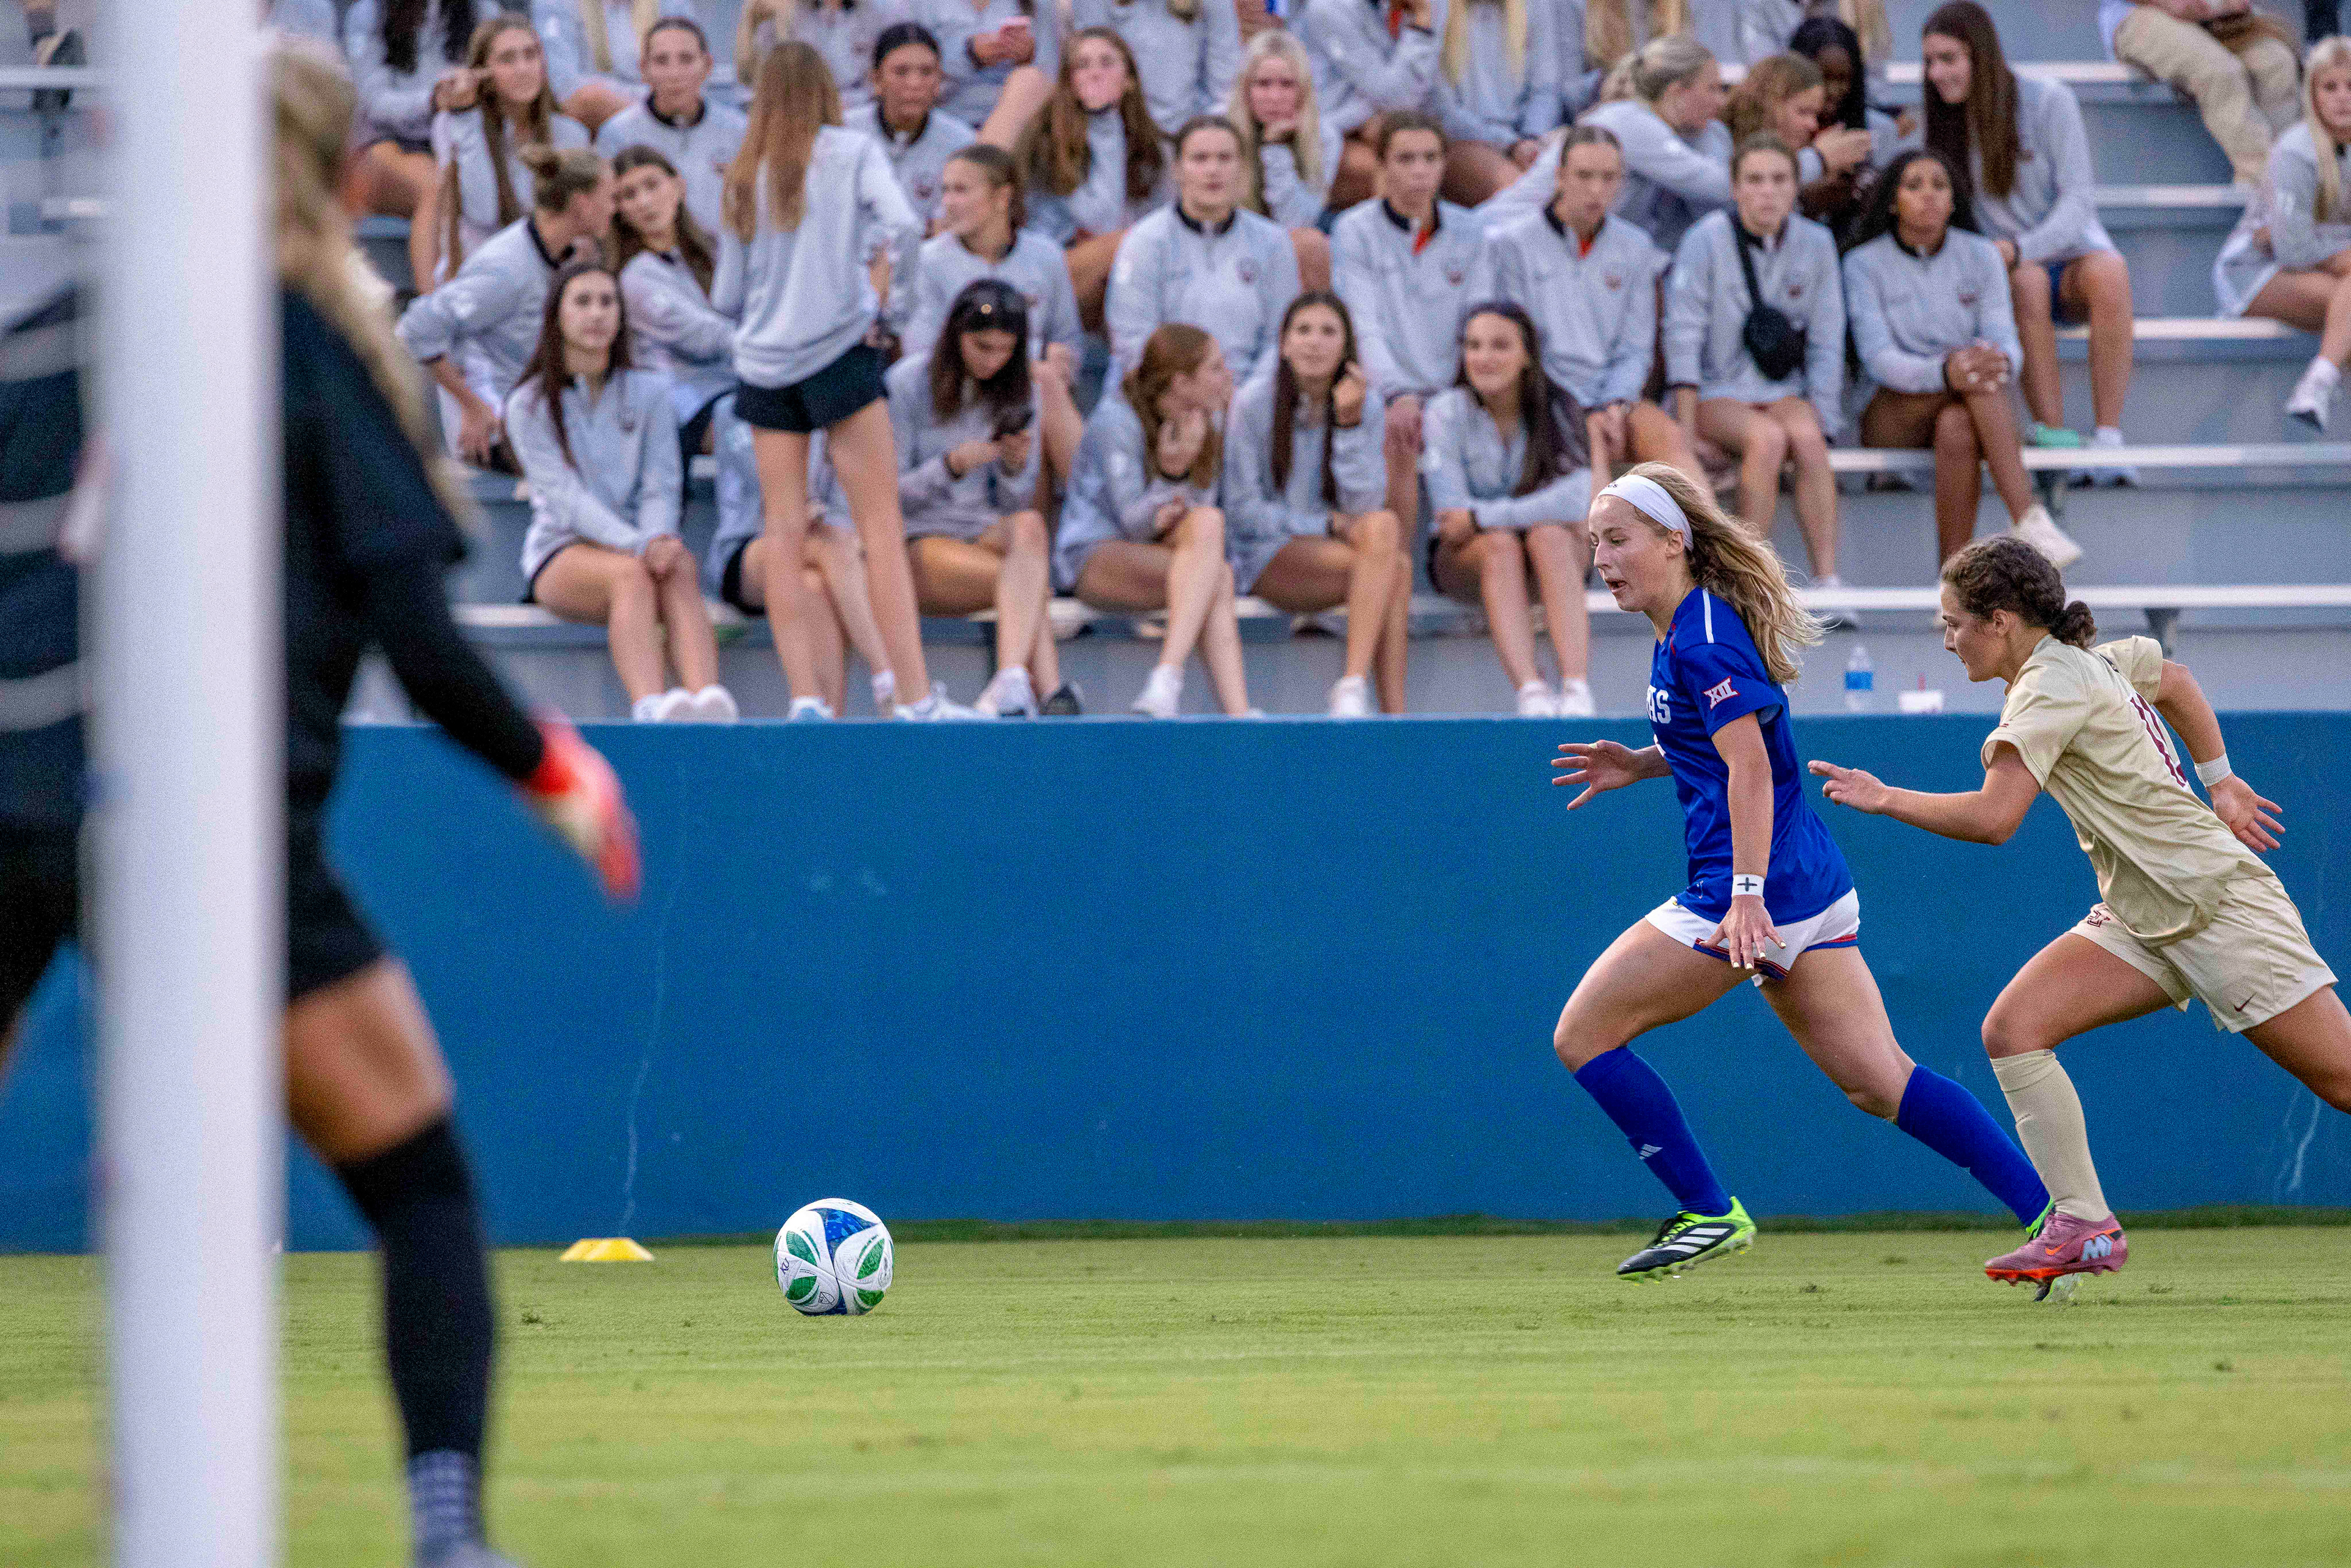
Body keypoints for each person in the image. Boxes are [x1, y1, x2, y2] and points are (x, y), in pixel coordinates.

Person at [13, 46, 639, 1567]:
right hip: (203, 831)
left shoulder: (34, 342)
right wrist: (562, 774)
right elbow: (425, 640)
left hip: (12, 800)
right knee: (420, 1184)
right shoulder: (294, 344)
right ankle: (446, 1528)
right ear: (343, 175)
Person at [1546, 465, 2054, 1285]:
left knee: (1584, 1033)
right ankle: (2055, 1220)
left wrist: (1744, 897)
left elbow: (1749, 767)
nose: (1601, 557)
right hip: (1807, 881)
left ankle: (1711, 1211)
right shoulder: (1688, 623)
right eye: (1593, 542)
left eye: (1617, 538)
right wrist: (1641, 763)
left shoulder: (1702, 631)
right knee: (1883, 1082)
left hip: (1752, 887)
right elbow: (1723, 748)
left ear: (1674, 541)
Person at [1810, 535, 2350, 1293]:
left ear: (1999, 620)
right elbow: (2178, 677)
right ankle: (2084, 1223)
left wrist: (1885, 795)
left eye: (1954, 620)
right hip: (2143, 914)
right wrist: (2220, 779)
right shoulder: (2081, 658)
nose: (1947, 635)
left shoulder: (2047, 683)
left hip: (2219, 908)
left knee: (2345, 1081)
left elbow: (1996, 819)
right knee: (2014, 1028)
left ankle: (2081, 1221)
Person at [717, 42, 973, 719]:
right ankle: (915, 697)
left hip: (764, 365)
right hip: (838, 353)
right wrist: (889, 305)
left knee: (783, 534)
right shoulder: (852, 151)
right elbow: (907, 226)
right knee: (881, 531)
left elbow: (726, 293)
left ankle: (804, 694)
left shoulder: (743, 169)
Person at [506, 261, 735, 722]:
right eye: (583, 301)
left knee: (680, 566)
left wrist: (656, 539)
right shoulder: (527, 404)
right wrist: (639, 545)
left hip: (642, 544)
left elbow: (663, 483)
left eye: (607, 302)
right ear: (557, 316)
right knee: (631, 575)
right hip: (564, 552)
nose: (597, 314)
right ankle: (650, 709)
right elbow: (565, 499)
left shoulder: (650, 392)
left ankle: (708, 703)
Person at [1922, 2, 2137, 478]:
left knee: (2111, 272)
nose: (1936, 73)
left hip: (2062, 255)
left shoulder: (2048, 101)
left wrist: (2022, 249)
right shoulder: (1940, 123)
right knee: (2028, 282)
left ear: (1979, 56)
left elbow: (2079, 200)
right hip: (2011, 272)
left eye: (1948, 59)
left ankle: (2109, 438)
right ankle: (2052, 434)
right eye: (1930, 61)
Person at [1843, 148, 2077, 569]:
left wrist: (1995, 362)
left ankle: (1952, 580)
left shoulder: (1981, 254)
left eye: (1940, 185)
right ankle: (2027, 517)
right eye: (1914, 186)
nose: (1929, 195)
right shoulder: (1863, 264)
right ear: (1893, 202)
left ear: (1955, 201)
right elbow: (1878, 358)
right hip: (1891, 410)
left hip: (1963, 398)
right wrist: (1946, 372)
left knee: (1958, 424)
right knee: (1976, 380)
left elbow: (2006, 341)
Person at [1665, 133, 1845, 606]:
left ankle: (1828, 579)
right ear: (1735, 187)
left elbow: (1828, 338)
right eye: (1755, 180)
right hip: (1716, 389)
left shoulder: (1817, 242)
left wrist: (1824, 415)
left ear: (1795, 188)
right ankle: (1748, 579)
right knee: (1766, 439)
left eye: (1779, 179)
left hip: (1779, 387)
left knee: (1806, 435)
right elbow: (1682, 339)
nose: (1767, 191)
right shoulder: (1704, 240)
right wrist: (1684, 435)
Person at [891, 282, 1073, 718]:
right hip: (920, 535)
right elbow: (887, 498)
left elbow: (1014, 501)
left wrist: (1012, 466)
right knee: (1029, 585)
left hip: (981, 525)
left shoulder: (1021, 388)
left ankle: (1011, 676)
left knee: (1030, 524)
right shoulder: (908, 382)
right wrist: (950, 466)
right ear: (955, 336)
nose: (992, 360)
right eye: (982, 346)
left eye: (1005, 349)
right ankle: (1048, 690)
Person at [1482, 123, 1700, 487]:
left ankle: (1719, 543)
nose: (1597, 190)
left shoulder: (1635, 246)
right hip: (1545, 396)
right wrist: (1582, 407)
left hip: (1613, 394)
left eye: (1609, 178)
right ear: (1559, 177)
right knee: (1592, 449)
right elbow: (1518, 345)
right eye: (1584, 176)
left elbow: (1636, 347)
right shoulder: (1512, 245)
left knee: (1671, 444)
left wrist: (1613, 401)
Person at [1055, 324, 1256, 718]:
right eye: (1215, 368)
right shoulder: (1117, 418)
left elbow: (1196, 510)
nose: (1227, 377)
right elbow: (1132, 522)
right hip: (1093, 556)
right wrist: (1172, 474)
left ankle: (1189, 691)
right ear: (1181, 381)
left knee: (1211, 526)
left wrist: (1177, 483)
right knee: (1217, 574)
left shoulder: (1208, 422)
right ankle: (1218, 704)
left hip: (1158, 555)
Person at [1224, 293, 1411, 715]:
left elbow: (1364, 506)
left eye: (1328, 331)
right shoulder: (1254, 403)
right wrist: (1323, 523)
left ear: (1346, 346)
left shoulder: (1366, 404)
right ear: (1284, 344)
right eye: (1303, 330)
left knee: (1387, 538)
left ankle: (1365, 695)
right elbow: (1243, 513)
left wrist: (1348, 424)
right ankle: (1377, 702)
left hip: (1343, 555)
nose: (1314, 342)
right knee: (1393, 567)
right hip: (1264, 554)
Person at [1423, 302, 1597, 716]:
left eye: (1500, 345)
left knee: (1550, 536)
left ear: (1527, 356)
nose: (1484, 357)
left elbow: (1575, 500)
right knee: (1502, 546)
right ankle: (1532, 691)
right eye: (1474, 346)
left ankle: (1576, 688)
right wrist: (1519, 515)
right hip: (1468, 559)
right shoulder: (1444, 411)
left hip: (1546, 557)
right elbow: (1450, 515)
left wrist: (1483, 517)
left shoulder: (1558, 406)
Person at [396, 144, 615, 467]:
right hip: (494, 435)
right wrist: (471, 406)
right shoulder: (507, 272)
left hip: (535, 420)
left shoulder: (563, 255)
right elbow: (415, 328)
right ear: (582, 202)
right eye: (610, 197)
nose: (615, 208)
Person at [1329, 112, 1488, 536]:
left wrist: (1456, 392)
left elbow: (1479, 322)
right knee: (1394, 427)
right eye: (1405, 159)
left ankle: (1455, 543)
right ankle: (1396, 573)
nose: (1420, 170)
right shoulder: (1354, 230)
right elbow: (1363, 325)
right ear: (1382, 166)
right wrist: (1398, 393)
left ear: (1444, 164)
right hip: (1385, 391)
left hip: (1455, 388)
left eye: (1430, 158)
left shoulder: (1472, 231)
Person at [901, 144, 1086, 484]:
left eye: (962, 190)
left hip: (1023, 395)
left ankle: (1064, 513)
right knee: (1039, 381)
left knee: (1037, 393)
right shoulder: (928, 261)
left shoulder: (1046, 256)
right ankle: (1087, 507)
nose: (947, 204)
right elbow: (920, 352)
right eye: (945, 190)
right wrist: (1034, 356)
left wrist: (1054, 361)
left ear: (1003, 198)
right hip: (954, 395)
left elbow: (1069, 342)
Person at [707, 416, 906, 718]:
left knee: (813, 582)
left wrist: (817, 512)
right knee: (823, 545)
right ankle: (887, 672)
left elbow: (847, 506)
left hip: (820, 546)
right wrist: (790, 514)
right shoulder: (736, 410)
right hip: (748, 546)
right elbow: (742, 498)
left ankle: (825, 716)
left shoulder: (833, 410)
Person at [1484, 34, 1731, 256]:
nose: (1722, 102)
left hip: (1558, 247)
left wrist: (1708, 134)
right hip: (1498, 238)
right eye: (1713, 89)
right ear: (1678, 93)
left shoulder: (1683, 131)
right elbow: (1724, 188)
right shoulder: (1632, 121)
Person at [1108, 115, 1303, 385]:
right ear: (1177, 170)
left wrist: (1246, 401)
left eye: (1225, 158)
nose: (1213, 170)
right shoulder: (1144, 241)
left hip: (1247, 393)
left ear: (1242, 168)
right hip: (1168, 393)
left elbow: (1280, 337)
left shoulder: (1273, 242)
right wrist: (1189, 395)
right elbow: (1132, 339)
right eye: (1200, 159)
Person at [2218, 37, 2351, 432]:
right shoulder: (2297, 149)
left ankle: (2317, 387)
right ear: (2312, 93)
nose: (2344, 98)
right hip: (2255, 268)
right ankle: (2319, 382)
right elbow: (2291, 248)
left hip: (2322, 267)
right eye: (2331, 87)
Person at [416, 13, 588, 289]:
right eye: (507, 59)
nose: (523, 68)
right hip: (481, 279)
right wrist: (465, 115)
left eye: (530, 55)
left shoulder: (570, 133)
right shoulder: (453, 124)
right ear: (483, 72)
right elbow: (482, 212)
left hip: (548, 283)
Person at [1019, 26, 1170, 326]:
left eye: (1107, 63)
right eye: (1082, 65)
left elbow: (1165, 221)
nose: (1094, 74)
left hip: (1124, 265)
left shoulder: (1154, 147)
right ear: (1070, 82)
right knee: (1123, 248)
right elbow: (1098, 217)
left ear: (1129, 81)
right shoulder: (1045, 139)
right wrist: (1103, 119)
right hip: (1055, 269)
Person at [611, 144, 735, 472]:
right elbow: (709, 338)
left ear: (678, 186)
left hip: (737, 383)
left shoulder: (715, 246)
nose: (645, 202)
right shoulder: (633, 277)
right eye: (629, 195)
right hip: (683, 405)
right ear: (619, 210)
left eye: (652, 185)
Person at [2102, 0, 2300, 191]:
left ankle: (2296, 182)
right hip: (2140, 10)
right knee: (2219, 72)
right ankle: (2263, 197)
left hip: (2215, 14)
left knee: (2277, 63)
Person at [593, 15, 747, 236]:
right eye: (662, 61)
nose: (674, 74)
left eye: (686, 59)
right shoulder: (617, 134)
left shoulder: (737, 130)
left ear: (708, 66)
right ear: (643, 69)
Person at [343, 0, 481, 228]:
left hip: (455, 134)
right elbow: (371, 102)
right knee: (436, 187)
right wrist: (432, 101)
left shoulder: (478, 7)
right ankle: (439, 266)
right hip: (383, 140)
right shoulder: (370, 11)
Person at [1298, 0, 1447, 210]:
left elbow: (1436, 98)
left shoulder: (1413, 5)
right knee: (1409, 173)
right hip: (1327, 134)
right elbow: (1397, 98)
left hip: (1383, 123)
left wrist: (1503, 141)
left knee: (1425, 152)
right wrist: (1421, 24)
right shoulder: (1327, 8)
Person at [1229, 28, 1344, 282]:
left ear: (1303, 90)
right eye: (1263, 84)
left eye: (1287, 84)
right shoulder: (1219, 127)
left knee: (1311, 244)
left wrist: (1275, 148)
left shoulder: (1325, 137)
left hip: (1287, 252)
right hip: (1227, 245)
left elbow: (1296, 224)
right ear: (1245, 88)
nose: (1275, 97)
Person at [845, 21, 979, 234]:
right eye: (901, 72)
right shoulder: (846, 133)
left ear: (939, 82)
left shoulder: (961, 143)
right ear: (876, 80)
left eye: (926, 72)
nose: (914, 83)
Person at [1433, 0, 1564, 206]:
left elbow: (1546, 90)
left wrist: (1532, 140)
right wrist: (1511, 144)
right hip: (1462, 141)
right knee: (1524, 195)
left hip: (1528, 139)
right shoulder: (1435, 8)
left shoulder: (1537, 5)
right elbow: (1442, 110)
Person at [1725, 53, 1871, 230]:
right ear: (1770, 106)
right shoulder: (1722, 141)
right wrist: (1821, 158)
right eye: (1803, 112)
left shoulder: (1795, 151)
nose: (1813, 125)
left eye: (1816, 114)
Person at [1070, 0, 1243, 140]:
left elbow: (1224, 87)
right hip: (1118, 136)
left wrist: (1202, 139)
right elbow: (1090, 74)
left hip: (1187, 138)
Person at [902, 0, 1059, 148]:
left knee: (1029, 78)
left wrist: (1026, 58)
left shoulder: (1038, 5)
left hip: (1015, 117)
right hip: (945, 114)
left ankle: (982, 164)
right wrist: (971, 55)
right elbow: (908, 70)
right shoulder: (923, 5)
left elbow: (1053, 75)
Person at [530, 0, 700, 132]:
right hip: (592, 143)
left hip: (674, 134)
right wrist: (662, 111)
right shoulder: (555, 4)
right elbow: (568, 96)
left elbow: (693, 81)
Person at [735, 0, 910, 113]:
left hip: (866, 110)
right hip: (800, 111)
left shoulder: (885, 12)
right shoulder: (783, 12)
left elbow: (895, 77)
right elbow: (754, 77)